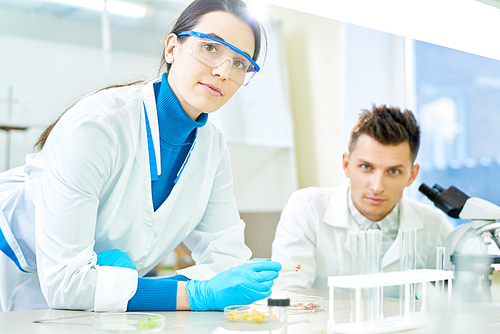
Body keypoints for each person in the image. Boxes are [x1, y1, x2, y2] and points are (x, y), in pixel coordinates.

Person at [0, 0, 282, 312]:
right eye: (211, 48)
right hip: (12, 268)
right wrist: (198, 294)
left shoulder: (212, 149)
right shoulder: (97, 127)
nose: (222, 72)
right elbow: (67, 284)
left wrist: (126, 288)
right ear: (172, 48)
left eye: (240, 63)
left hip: (81, 305)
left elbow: (228, 260)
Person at [271, 105, 454, 291]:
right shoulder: (307, 209)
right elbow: (287, 295)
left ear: (412, 176)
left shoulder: (435, 227)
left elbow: (455, 300)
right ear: (346, 165)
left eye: (393, 171)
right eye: (366, 167)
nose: (377, 187)